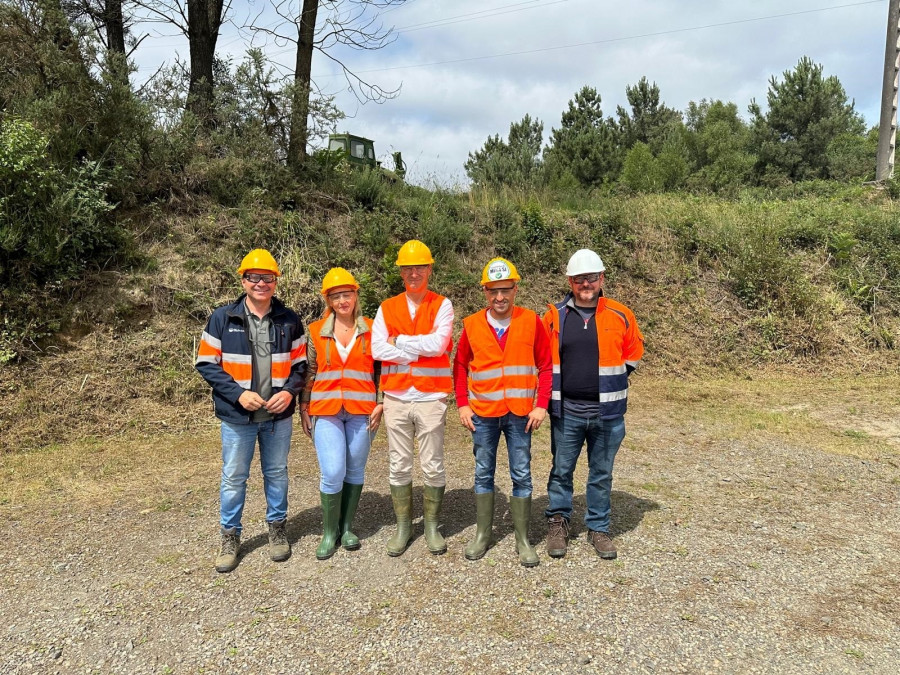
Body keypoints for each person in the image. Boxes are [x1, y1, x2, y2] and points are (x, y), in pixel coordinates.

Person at [195, 249, 307, 573]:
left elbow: (301, 366)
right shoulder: (222, 318)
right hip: (237, 417)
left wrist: (288, 393)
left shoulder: (289, 320)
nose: (261, 283)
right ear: (243, 280)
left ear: (275, 281)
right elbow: (206, 363)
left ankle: (277, 530)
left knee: (277, 474)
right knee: (234, 477)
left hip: (277, 417)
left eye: (267, 277)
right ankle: (229, 537)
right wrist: (238, 395)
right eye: (254, 277)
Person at [543, 249, 644, 560]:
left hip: (607, 412)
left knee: (601, 472)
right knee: (562, 470)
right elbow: (543, 360)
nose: (585, 283)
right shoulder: (554, 316)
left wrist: (611, 382)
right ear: (570, 282)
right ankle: (558, 522)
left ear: (602, 278)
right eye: (579, 279)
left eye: (591, 277)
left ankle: (598, 527)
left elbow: (634, 352)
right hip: (567, 411)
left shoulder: (621, 314)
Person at [453, 257, 552, 567]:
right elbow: (459, 366)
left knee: (521, 474)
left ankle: (523, 539)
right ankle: (483, 534)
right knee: (483, 472)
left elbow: (546, 365)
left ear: (515, 289)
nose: (499, 297)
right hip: (483, 413)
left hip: (521, 413)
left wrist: (541, 405)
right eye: (493, 291)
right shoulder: (471, 325)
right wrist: (462, 403)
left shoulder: (531, 321)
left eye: (505, 290)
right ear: (485, 291)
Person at [372, 240, 454, 556]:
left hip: (431, 397)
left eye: (419, 267)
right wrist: (414, 353)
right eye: (408, 268)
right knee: (398, 463)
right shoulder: (387, 306)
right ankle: (404, 526)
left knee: (432, 463)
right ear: (401, 272)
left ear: (429, 269)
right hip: (395, 396)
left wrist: (401, 341)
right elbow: (378, 349)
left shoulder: (442, 305)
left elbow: (439, 344)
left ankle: (432, 526)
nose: (414, 273)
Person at [299, 268, 383, 560]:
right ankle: (329, 531)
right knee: (333, 471)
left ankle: (347, 527)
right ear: (329, 300)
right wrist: (303, 406)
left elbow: (381, 370)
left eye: (347, 294)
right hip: (326, 410)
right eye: (336, 296)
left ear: (355, 296)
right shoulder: (315, 330)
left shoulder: (373, 329)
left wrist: (381, 402)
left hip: (362, 411)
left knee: (356, 470)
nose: (342, 300)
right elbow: (310, 370)